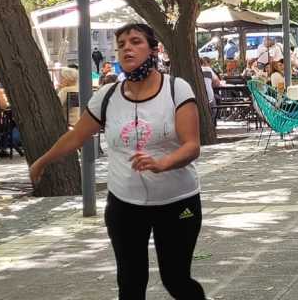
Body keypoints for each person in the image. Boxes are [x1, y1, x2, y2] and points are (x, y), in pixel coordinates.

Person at [30, 23, 206, 300]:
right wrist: (41, 162)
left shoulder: (176, 89)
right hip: (125, 205)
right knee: (130, 282)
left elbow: (192, 145)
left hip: (177, 201)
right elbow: (76, 137)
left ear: (153, 50)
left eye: (135, 42)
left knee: (176, 279)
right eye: (121, 44)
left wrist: (163, 163)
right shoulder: (108, 96)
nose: (127, 48)